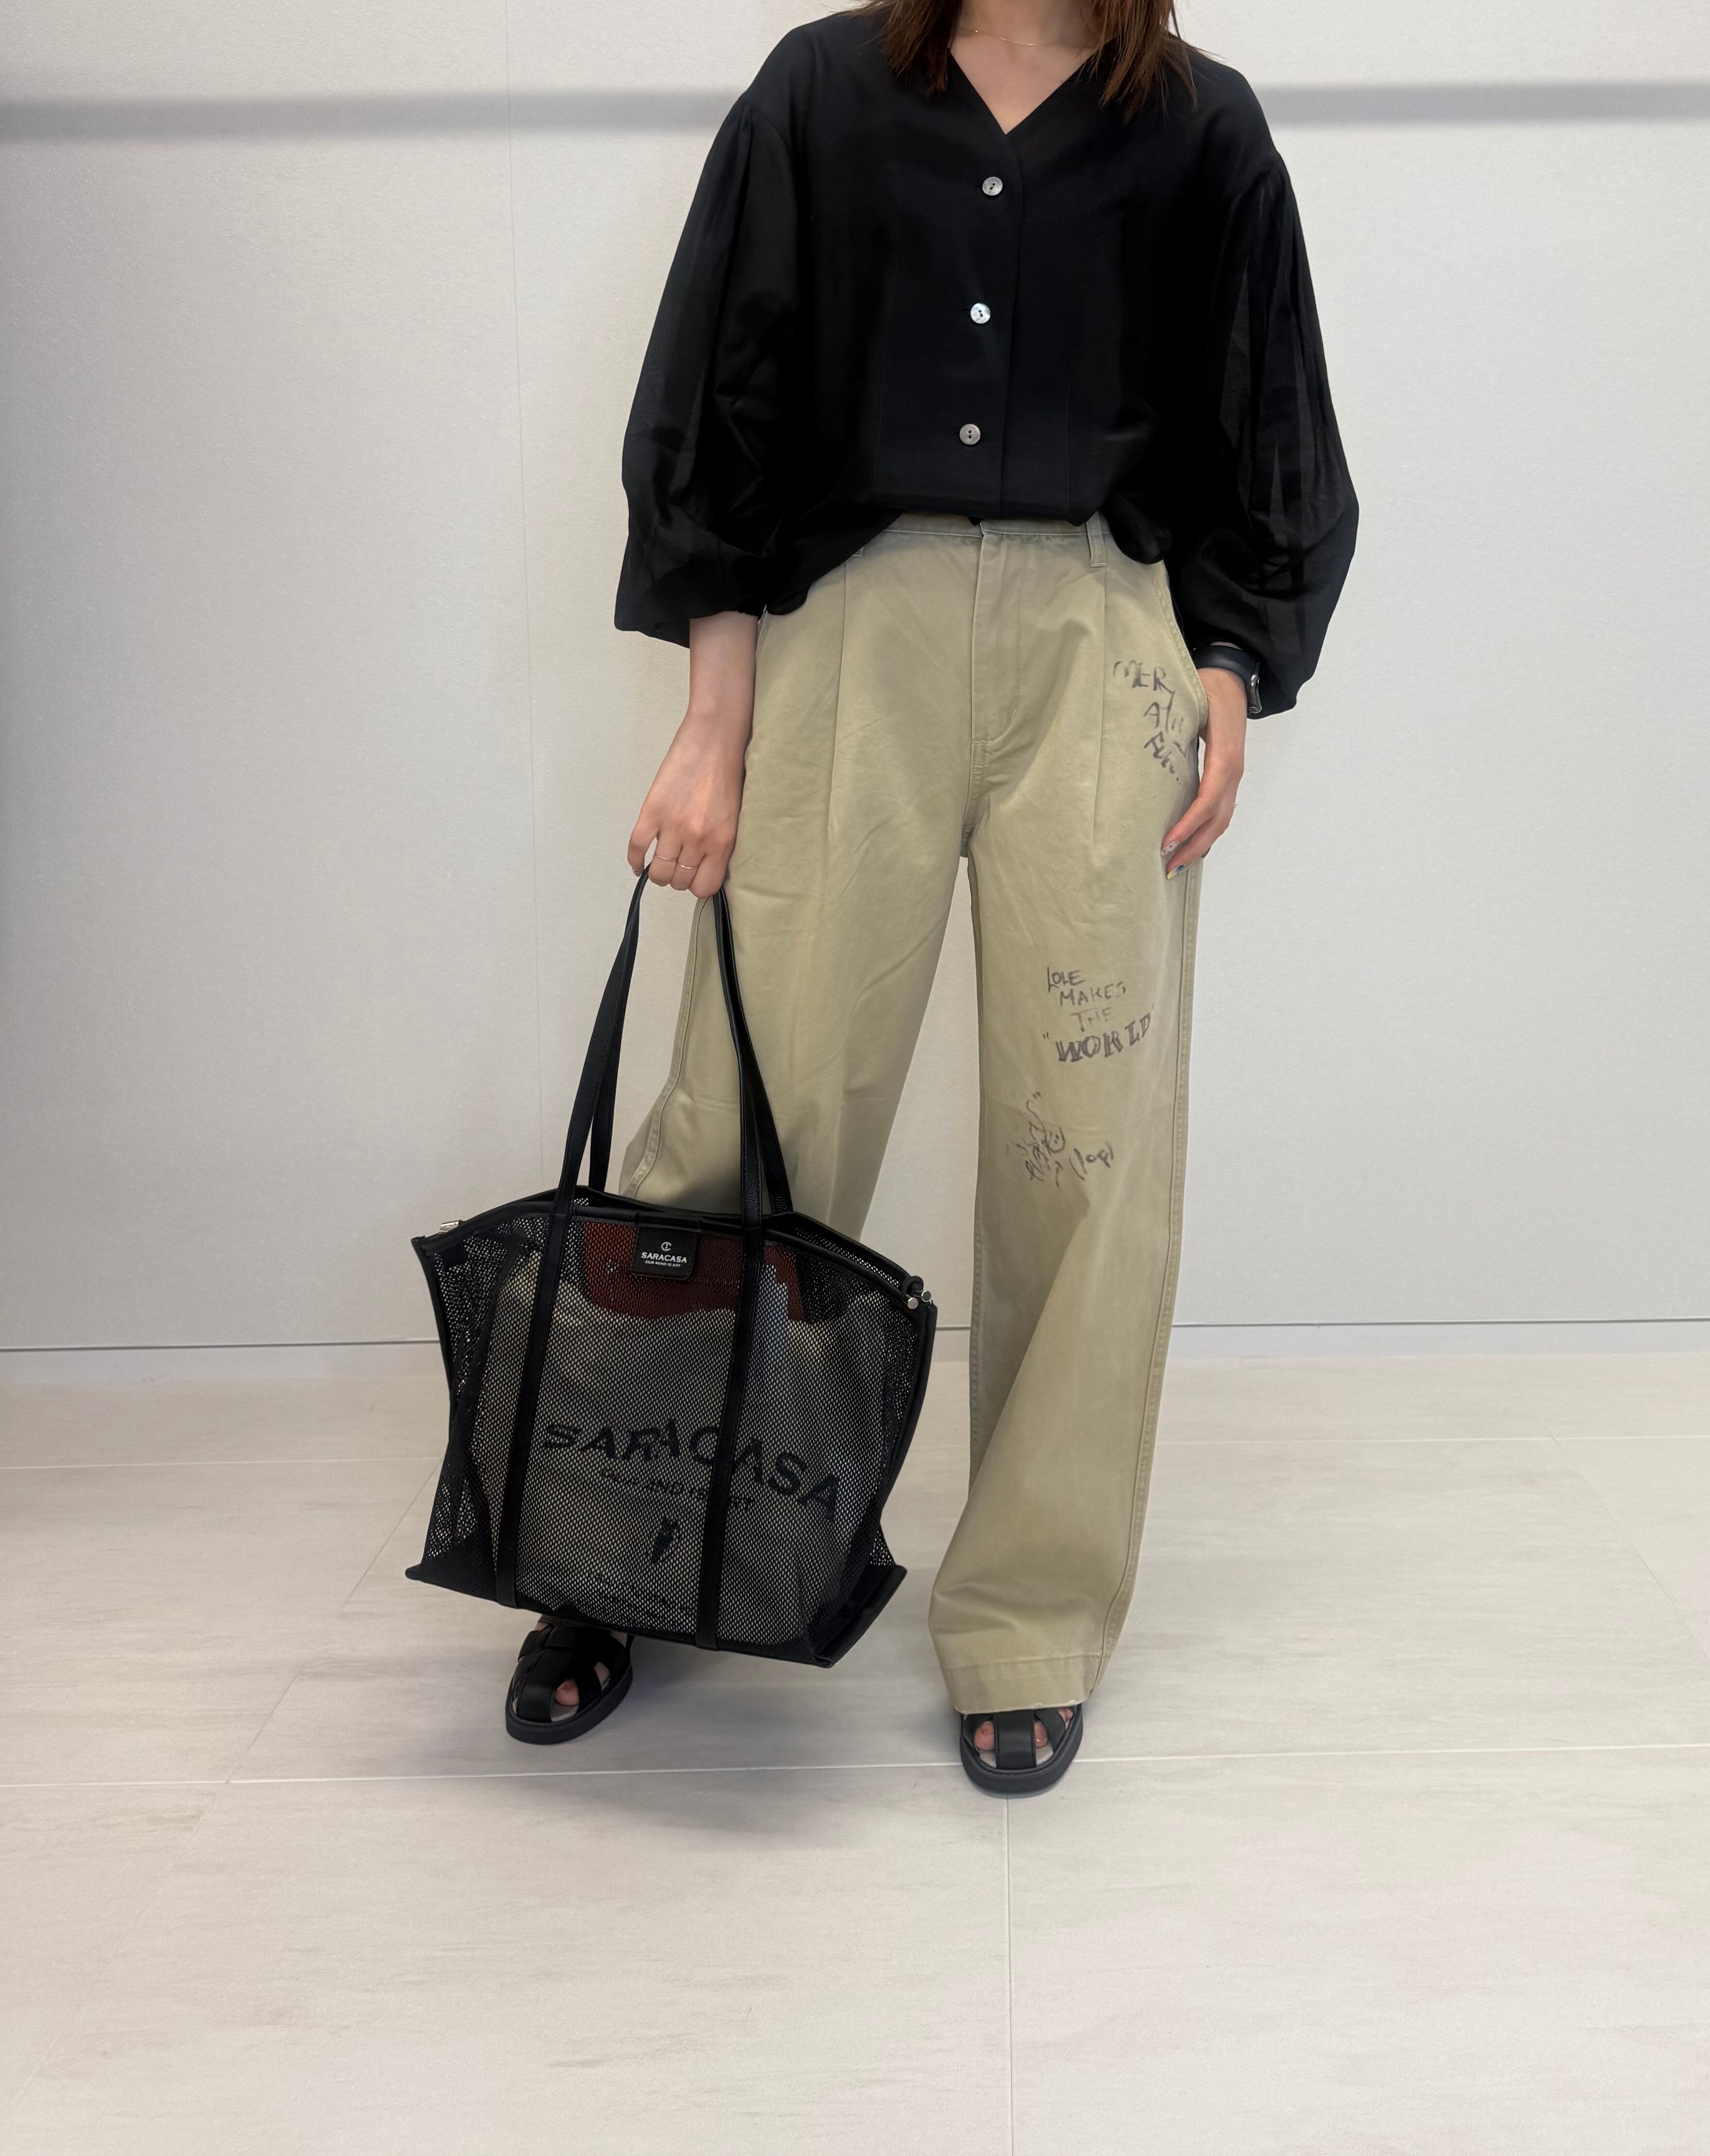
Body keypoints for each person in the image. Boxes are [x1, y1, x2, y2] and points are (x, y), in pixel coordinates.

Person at [504, 0, 1356, 1792]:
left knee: (1085, 1151)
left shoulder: (1202, 127)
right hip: (849, 637)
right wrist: (712, 723)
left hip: (1100, 647)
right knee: (754, 1105)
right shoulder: (822, 93)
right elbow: (722, 396)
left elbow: (1265, 407)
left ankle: (1030, 1613)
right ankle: (615, 1548)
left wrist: (1223, 663)